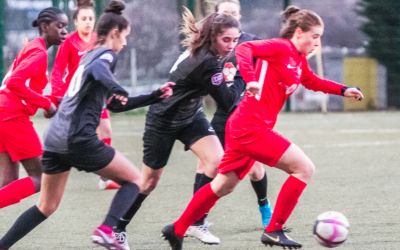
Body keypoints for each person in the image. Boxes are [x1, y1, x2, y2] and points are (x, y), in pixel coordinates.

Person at [161, 5, 364, 250]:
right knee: (304, 169)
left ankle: (178, 228)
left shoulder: (297, 59)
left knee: (223, 185)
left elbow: (311, 81)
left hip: (245, 126)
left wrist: (344, 90)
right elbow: (245, 48)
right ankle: (274, 230)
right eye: (315, 36)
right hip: (250, 128)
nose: (318, 43)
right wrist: (251, 79)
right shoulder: (280, 47)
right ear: (299, 33)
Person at [0, 1, 173, 249]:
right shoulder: (104, 54)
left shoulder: (88, 55)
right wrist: (117, 86)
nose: (125, 43)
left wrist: (153, 96)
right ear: (115, 33)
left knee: (46, 206)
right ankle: (106, 230)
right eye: (125, 37)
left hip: (54, 138)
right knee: (136, 180)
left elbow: (114, 104)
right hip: (76, 136)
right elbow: (102, 70)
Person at [112, 7, 241, 249]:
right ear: (212, 36)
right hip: (163, 120)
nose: (232, 45)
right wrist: (236, 79)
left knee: (216, 161)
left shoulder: (210, 53)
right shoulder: (207, 62)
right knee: (149, 182)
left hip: (191, 116)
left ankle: (194, 222)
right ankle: (116, 228)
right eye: (226, 39)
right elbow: (227, 102)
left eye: (235, 39)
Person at [190, 0, 272, 232]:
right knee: (207, 163)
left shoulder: (252, 42)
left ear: (240, 16)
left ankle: (265, 209)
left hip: (246, 111)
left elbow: (270, 63)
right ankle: (197, 217)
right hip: (224, 111)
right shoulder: (210, 45)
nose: (230, 17)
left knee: (254, 168)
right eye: (225, 13)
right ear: (217, 17)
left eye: (234, 13)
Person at [0, 7, 68, 209]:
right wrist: (46, 103)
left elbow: (20, 87)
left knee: (8, 183)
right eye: (60, 26)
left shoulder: (33, 47)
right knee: (40, 177)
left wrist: (50, 100)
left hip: (3, 112)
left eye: (66, 26)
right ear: (45, 27)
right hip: (11, 116)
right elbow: (14, 83)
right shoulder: (38, 53)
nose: (64, 31)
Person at [50, 0, 119, 190]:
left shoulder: (98, 41)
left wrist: (110, 89)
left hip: (96, 97)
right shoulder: (69, 43)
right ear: (76, 22)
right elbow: (57, 71)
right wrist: (57, 96)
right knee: (71, 138)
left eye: (90, 18)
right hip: (75, 98)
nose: (88, 22)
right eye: (84, 19)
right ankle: (57, 166)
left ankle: (105, 178)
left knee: (106, 131)